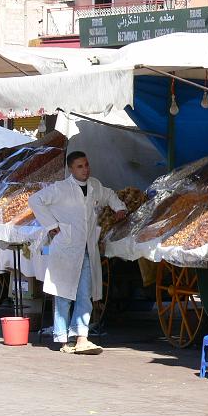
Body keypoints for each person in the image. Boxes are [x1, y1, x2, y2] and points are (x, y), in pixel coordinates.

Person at [28, 151, 127, 355]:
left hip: (87, 249)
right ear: (71, 169)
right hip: (66, 249)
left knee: (85, 295)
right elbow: (35, 200)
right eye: (80, 166)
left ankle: (81, 337)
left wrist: (119, 208)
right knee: (64, 294)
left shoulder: (95, 186)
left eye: (87, 165)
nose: (85, 169)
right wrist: (51, 225)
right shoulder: (60, 189)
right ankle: (63, 339)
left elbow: (109, 195)